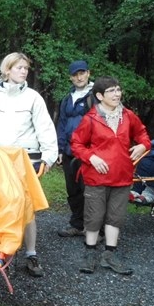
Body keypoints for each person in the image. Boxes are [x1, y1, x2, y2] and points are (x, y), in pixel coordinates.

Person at [0, 52, 58, 277]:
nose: (24, 71)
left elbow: (45, 127)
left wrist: (48, 156)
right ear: (7, 69)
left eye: (26, 68)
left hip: (25, 159)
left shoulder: (33, 97)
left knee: (26, 206)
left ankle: (31, 254)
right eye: (19, 67)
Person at [71, 77, 151, 275]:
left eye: (118, 90)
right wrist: (92, 157)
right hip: (96, 177)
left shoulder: (128, 116)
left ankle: (110, 255)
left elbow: (143, 135)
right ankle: (90, 253)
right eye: (111, 91)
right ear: (99, 96)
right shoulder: (90, 119)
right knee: (94, 215)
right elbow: (76, 144)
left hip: (122, 176)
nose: (117, 94)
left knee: (116, 216)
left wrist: (143, 145)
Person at [56, 60, 94, 237]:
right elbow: (62, 124)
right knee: (73, 190)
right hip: (70, 152)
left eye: (82, 73)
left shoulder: (96, 96)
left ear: (88, 73)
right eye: (75, 74)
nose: (79, 77)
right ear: (70, 77)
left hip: (88, 152)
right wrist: (60, 149)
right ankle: (77, 224)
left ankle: (93, 228)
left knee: (91, 190)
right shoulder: (66, 98)